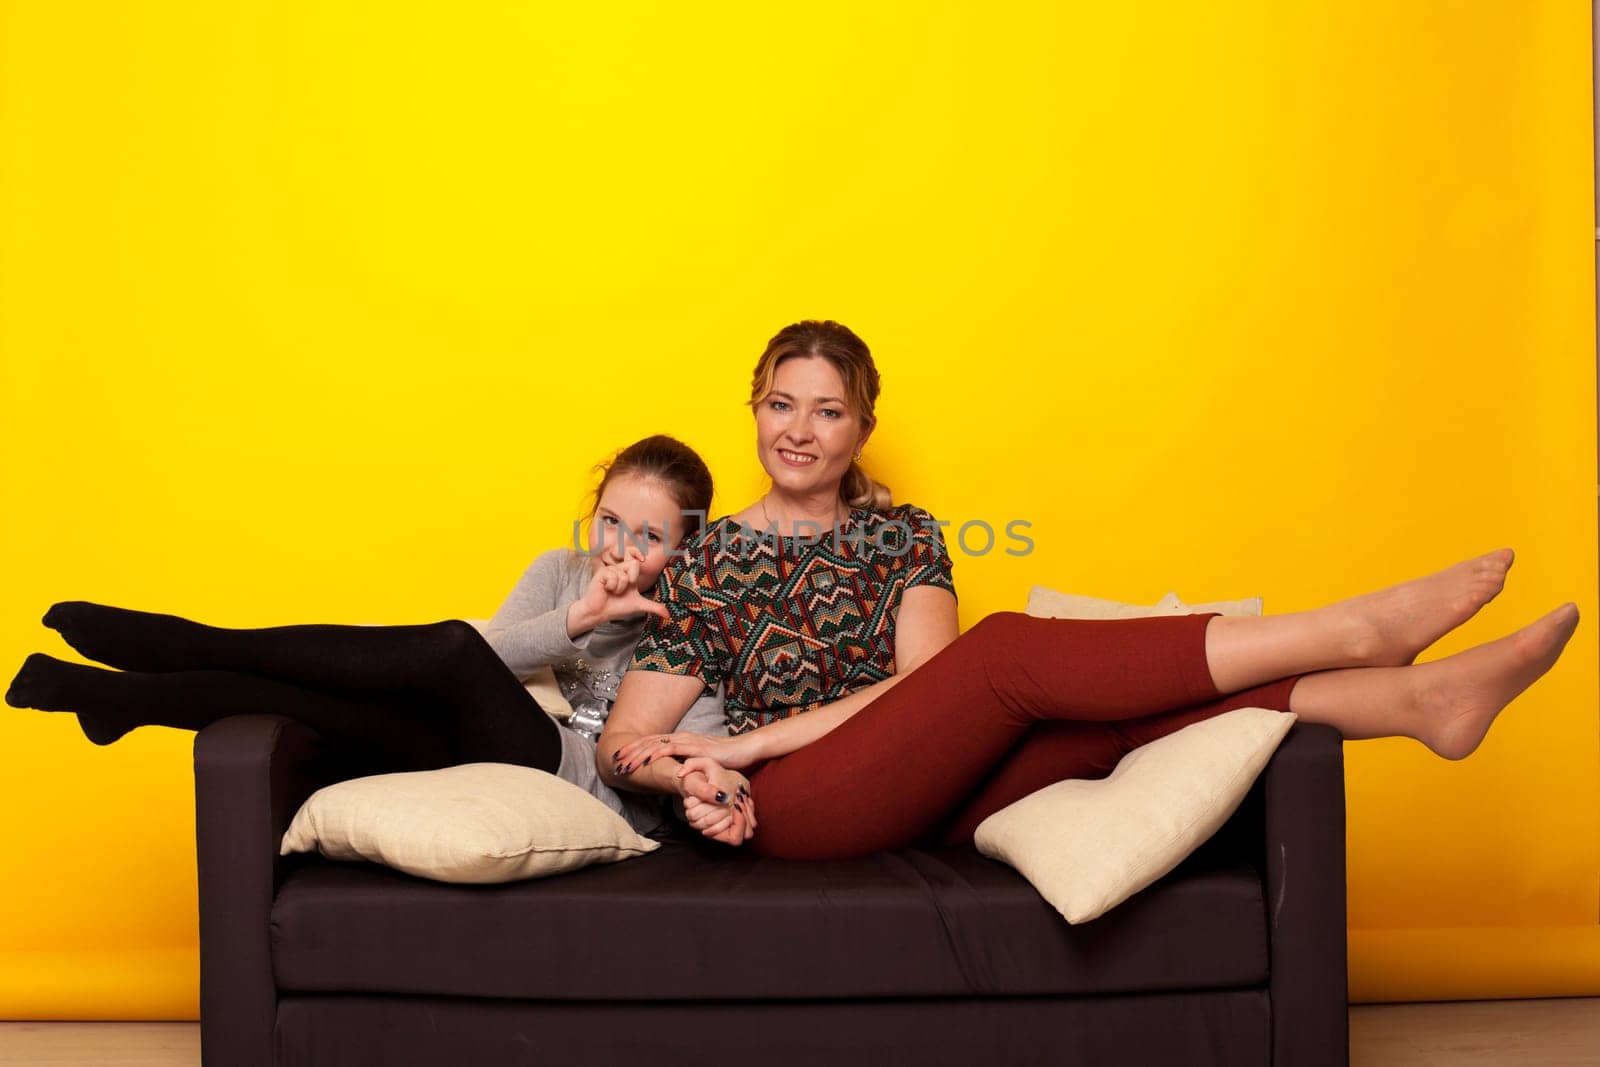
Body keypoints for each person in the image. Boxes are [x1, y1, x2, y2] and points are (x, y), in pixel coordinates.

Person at [596, 320, 1582, 859]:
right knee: (1010, 649)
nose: (798, 430)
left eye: (827, 410)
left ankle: (1418, 700)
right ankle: (1355, 628)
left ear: (860, 428)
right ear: (753, 412)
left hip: (925, 786)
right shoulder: (711, 556)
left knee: (1120, 719)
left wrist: (746, 735)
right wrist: (699, 769)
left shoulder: (902, 536)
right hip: (806, 809)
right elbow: (620, 741)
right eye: (779, 404)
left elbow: (927, 696)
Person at [6, 434, 731, 836]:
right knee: (318, 704)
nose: (620, 548)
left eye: (649, 535)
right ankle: (125, 700)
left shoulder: (693, 633)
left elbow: (681, 762)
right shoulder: (561, 572)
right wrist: (581, 618)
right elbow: (499, 661)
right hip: (473, 737)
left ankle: (188, 641)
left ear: (686, 546)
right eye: (609, 520)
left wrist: (701, 782)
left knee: (449, 644)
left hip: (572, 780)